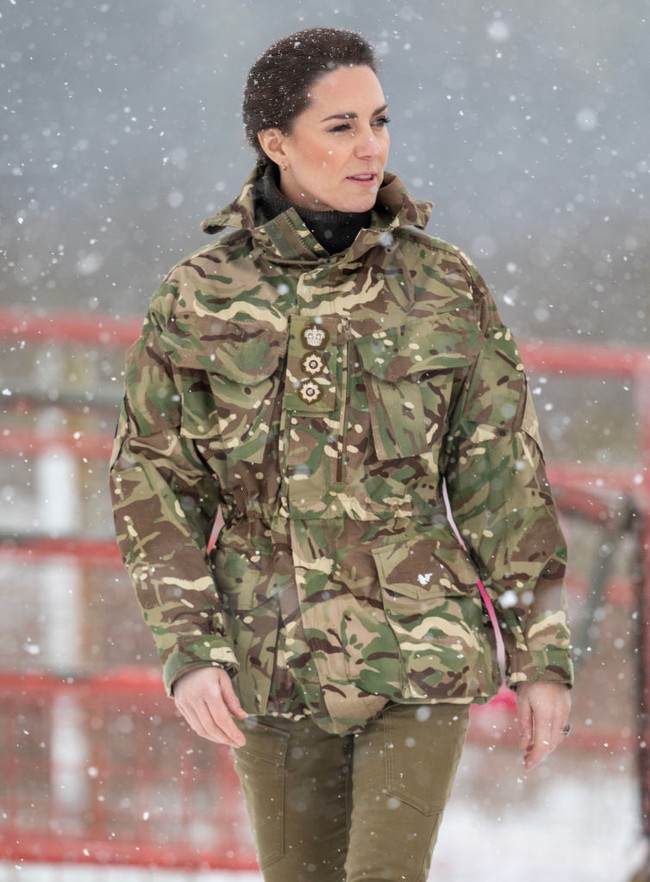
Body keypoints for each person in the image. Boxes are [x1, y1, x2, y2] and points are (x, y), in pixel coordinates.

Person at [110, 26, 572, 882]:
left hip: (418, 649)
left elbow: (502, 481)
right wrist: (190, 647)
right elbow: (154, 481)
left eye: (380, 121)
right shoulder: (199, 296)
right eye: (341, 127)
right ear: (275, 142)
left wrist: (541, 653)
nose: (371, 147)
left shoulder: (442, 286)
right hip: (269, 655)